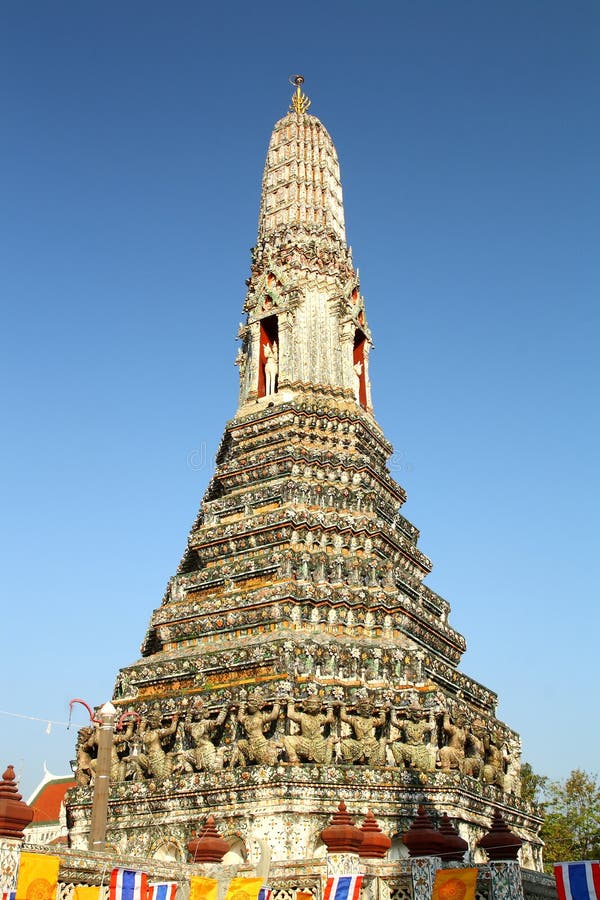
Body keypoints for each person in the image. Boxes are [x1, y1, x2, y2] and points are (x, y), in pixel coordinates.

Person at [284, 697, 334, 764]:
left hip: (318, 744)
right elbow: (290, 715)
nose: (313, 707)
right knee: (288, 740)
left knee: (324, 759)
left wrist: (330, 708)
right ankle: (294, 760)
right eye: (311, 705)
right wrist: (290, 702)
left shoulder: (320, 717)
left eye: (314, 705)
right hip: (304, 742)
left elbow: (330, 719)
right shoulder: (303, 716)